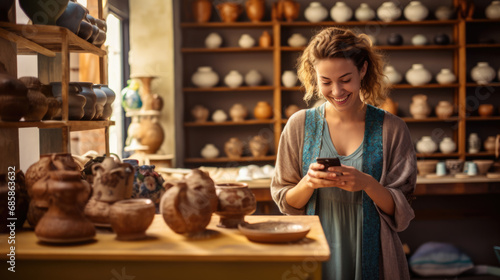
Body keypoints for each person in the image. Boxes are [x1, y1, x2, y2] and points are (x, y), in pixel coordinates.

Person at [271, 27, 417, 280]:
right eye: (325, 82)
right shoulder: (298, 125)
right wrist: (308, 183)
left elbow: (402, 211)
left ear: (363, 70)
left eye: (345, 79)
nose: (337, 91)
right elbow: (285, 201)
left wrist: (368, 184)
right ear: (314, 77)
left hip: (376, 253)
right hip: (314, 249)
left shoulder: (392, 129)